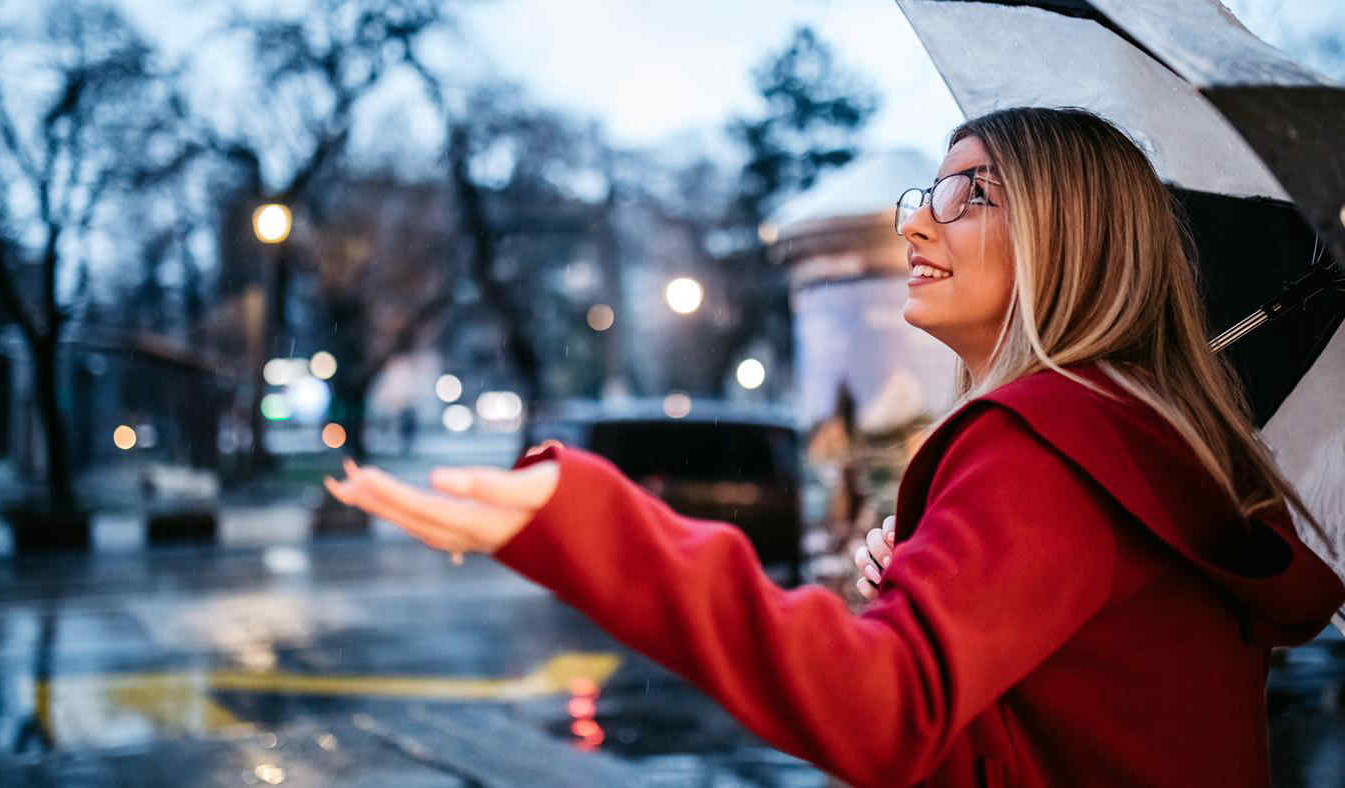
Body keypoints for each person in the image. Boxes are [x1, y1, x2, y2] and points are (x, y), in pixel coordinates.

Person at [324, 107, 1345, 787]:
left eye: (969, 194)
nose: (917, 227)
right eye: (923, 195)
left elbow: (883, 715)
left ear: (1070, 234)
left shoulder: (1050, 438)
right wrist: (926, 606)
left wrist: (595, 524)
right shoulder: (1148, 443)